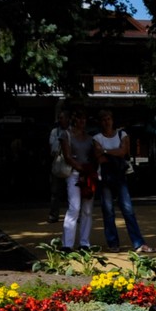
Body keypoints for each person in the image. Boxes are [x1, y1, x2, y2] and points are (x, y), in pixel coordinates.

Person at [94, 110, 154, 253]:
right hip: (105, 176)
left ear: (112, 120)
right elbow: (99, 158)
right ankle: (113, 243)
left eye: (108, 118)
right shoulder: (96, 138)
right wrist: (114, 153)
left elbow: (123, 152)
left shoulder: (122, 134)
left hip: (120, 176)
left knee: (128, 209)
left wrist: (106, 151)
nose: (106, 122)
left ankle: (138, 242)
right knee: (108, 211)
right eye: (103, 119)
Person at [59, 108, 96, 251]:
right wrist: (81, 169)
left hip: (88, 174)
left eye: (84, 118)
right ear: (73, 119)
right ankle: (67, 244)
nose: (82, 121)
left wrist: (90, 170)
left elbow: (93, 156)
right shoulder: (66, 135)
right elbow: (67, 156)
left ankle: (84, 243)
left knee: (87, 209)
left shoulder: (90, 138)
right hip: (74, 173)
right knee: (74, 207)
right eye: (79, 118)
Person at [47, 110, 69, 223]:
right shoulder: (55, 132)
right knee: (55, 192)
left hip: (70, 164)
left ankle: (73, 214)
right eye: (59, 118)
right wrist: (61, 139)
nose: (60, 120)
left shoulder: (72, 131)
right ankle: (53, 215)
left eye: (62, 118)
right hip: (58, 163)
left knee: (72, 191)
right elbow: (53, 149)